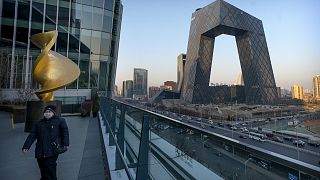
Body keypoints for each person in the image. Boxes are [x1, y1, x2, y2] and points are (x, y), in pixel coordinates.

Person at [22, 105, 69, 180]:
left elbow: (65, 132)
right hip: (40, 150)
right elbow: (32, 135)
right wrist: (26, 146)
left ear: (53, 113)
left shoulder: (60, 121)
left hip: (53, 149)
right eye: (46, 112)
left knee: (50, 167)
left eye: (49, 112)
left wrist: (65, 143)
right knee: (42, 168)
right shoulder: (39, 123)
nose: (47, 113)